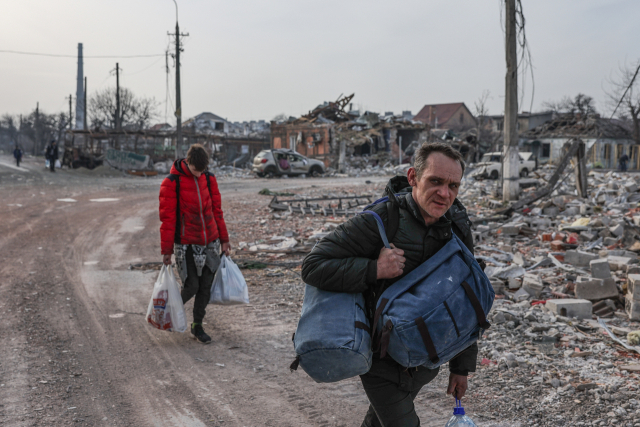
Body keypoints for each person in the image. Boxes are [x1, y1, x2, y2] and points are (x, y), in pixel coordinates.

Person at [302, 142, 477, 427]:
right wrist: (374, 269)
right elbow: (313, 266)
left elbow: (466, 300)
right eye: (435, 181)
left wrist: (461, 368)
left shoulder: (456, 227)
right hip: (380, 362)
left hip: (425, 360)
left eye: (453, 186)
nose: (445, 194)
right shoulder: (382, 220)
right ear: (412, 178)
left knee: (378, 422)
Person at [159, 144, 231, 344]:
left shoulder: (209, 178)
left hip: (211, 243)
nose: (198, 175)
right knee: (191, 286)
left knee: (205, 287)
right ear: (187, 162)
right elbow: (167, 220)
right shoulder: (172, 182)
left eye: (202, 171)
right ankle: (167, 313)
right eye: (195, 170)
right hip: (186, 244)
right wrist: (166, 250)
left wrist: (224, 240)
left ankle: (197, 326)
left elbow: (217, 211)